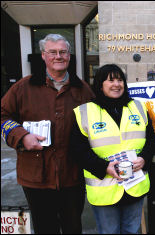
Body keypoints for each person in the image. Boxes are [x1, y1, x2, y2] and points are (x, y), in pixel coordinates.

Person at [1, 34, 95, 233]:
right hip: (36, 175)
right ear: (43, 56)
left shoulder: (83, 90)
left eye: (62, 52)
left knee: (73, 227)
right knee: (45, 228)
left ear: (69, 56)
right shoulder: (23, 87)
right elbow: (3, 116)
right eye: (52, 52)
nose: (58, 56)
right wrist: (21, 136)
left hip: (72, 175)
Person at [69, 64, 155, 234]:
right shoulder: (85, 112)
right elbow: (78, 150)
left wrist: (144, 158)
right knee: (109, 231)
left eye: (120, 80)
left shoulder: (138, 107)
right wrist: (103, 167)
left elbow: (153, 140)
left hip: (134, 185)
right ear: (100, 85)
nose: (117, 84)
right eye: (111, 80)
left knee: (131, 230)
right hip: (105, 188)